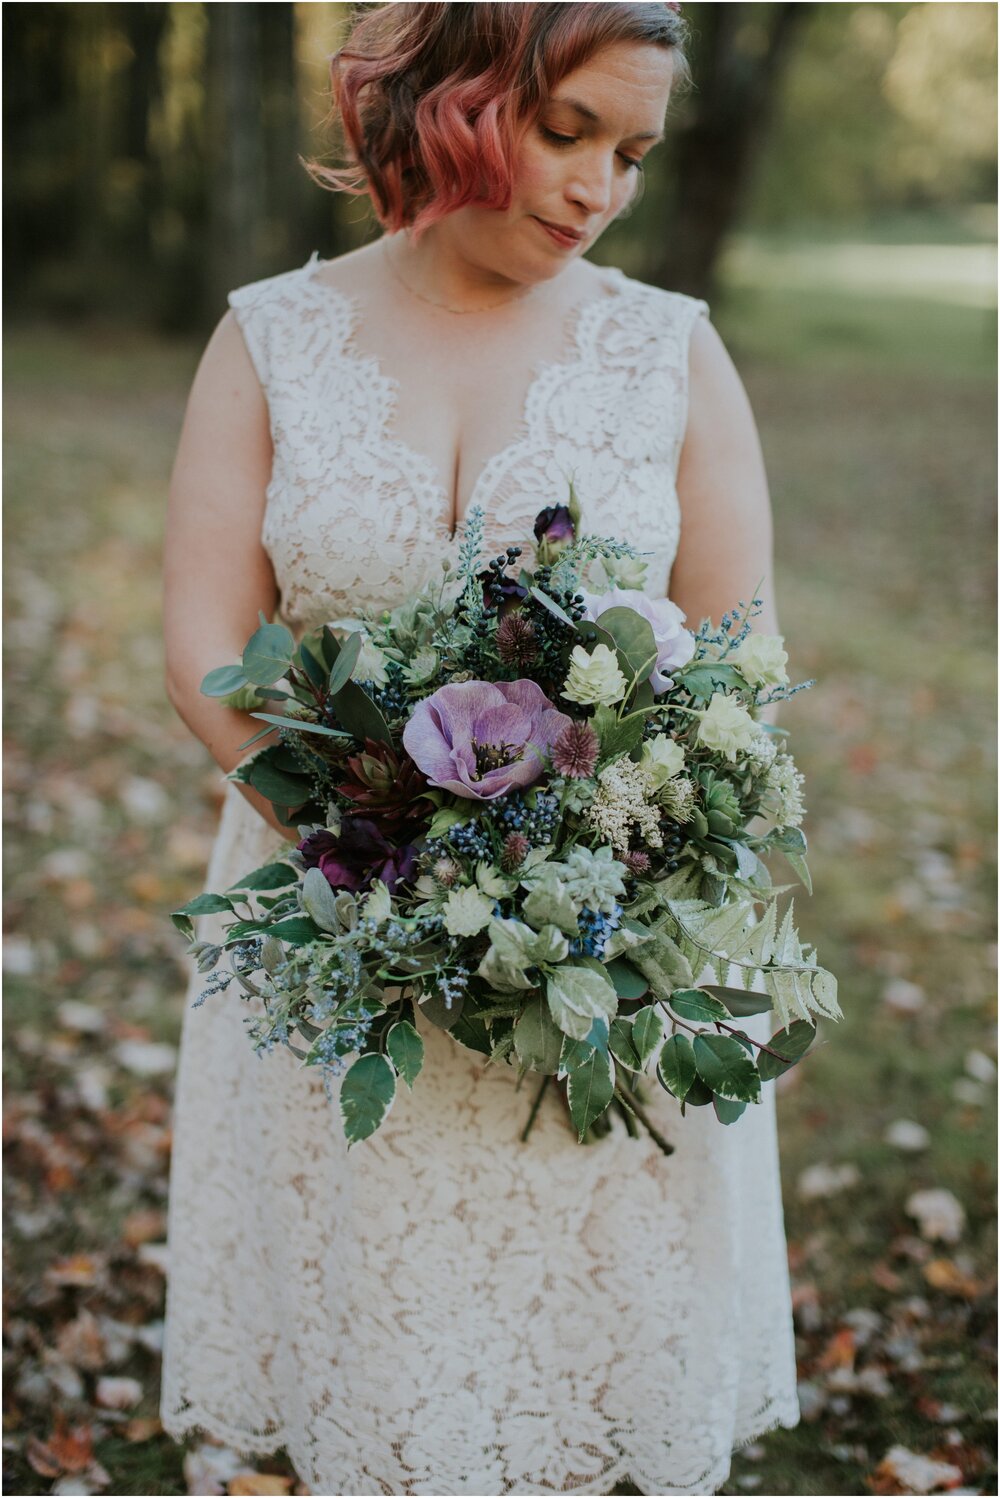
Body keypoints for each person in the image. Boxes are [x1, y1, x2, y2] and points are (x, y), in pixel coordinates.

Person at [160, 4, 800, 1494]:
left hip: (603, 944)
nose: (600, 187)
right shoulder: (271, 338)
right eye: (569, 131)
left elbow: (736, 652)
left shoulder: (671, 354)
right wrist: (360, 853)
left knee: (588, 1365)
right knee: (362, 1346)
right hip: (324, 920)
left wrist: (598, 866)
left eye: (632, 153)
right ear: (454, 98)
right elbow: (204, 645)